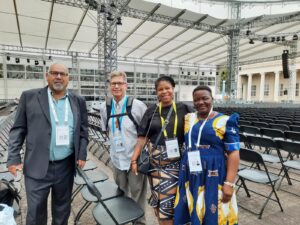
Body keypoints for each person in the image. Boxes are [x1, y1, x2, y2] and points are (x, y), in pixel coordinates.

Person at [7, 63, 88, 225]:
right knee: (36, 212)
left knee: (62, 210)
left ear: (68, 78)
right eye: (54, 73)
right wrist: (13, 157)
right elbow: (18, 129)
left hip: (66, 166)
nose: (58, 77)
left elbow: (83, 131)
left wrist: (82, 154)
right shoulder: (29, 96)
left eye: (63, 74)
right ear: (47, 75)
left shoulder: (78, 100)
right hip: (37, 166)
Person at [131, 76, 194, 225]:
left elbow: (196, 131)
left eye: (167, 88)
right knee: (158, 202)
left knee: (168, 206)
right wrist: (134, 159)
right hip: (154, 166)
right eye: (160, 89)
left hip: (175, 167)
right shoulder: (151, 111)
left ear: (173, 89)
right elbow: (142, 138)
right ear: (156, 92)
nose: (164, 92)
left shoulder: (184, 109)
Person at [174, 85, 240, 225]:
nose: (200, 102)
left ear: (212, 99)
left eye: (205, 98)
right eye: (196, 100)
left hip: (213, 174)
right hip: (190, 172)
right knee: (192, 208)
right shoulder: (188, 118)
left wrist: (229, 183)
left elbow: (233, 153)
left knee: (214, 212)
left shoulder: (226, 121)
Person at [99, 71, 148, 224]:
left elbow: (145, 134)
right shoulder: (105, 107)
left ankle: (139, 222)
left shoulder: (138, 106)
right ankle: (123, 220)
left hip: (135, 160)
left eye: (119, 83)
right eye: (113, 83)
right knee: (121, 193)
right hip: (116, 160)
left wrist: (136, 157)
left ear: (126, 85)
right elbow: (106, 131)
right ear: (109, 86)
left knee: (137, 195)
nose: (116, 86)